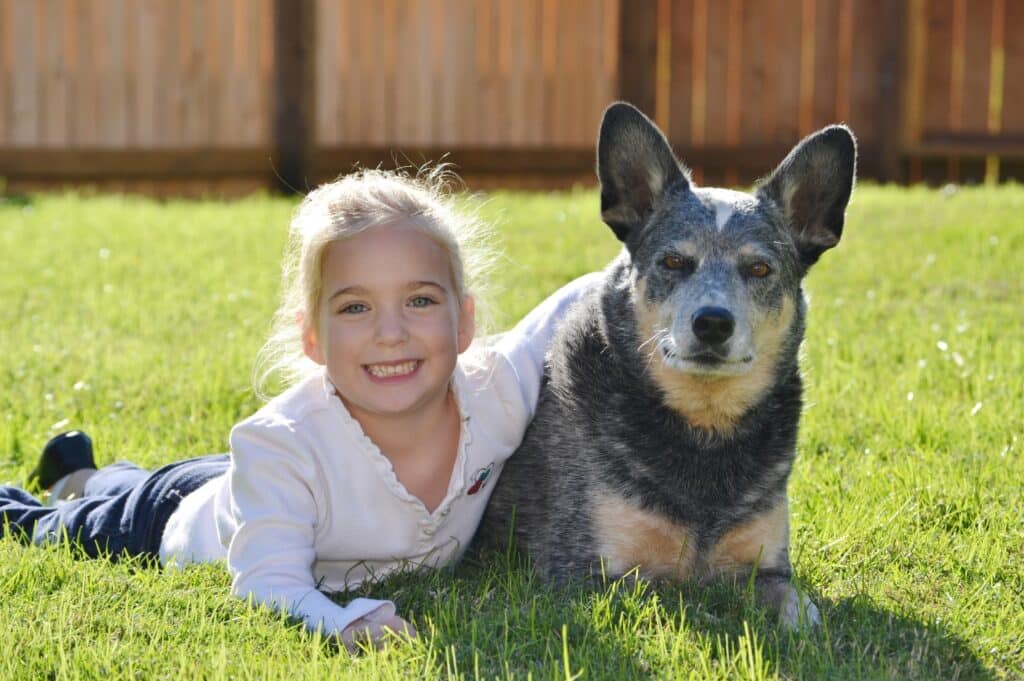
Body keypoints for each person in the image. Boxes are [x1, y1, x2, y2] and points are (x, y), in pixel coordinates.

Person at [0, 168, 595, 650]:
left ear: (463, 321)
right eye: (355, 308)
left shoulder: (496, 392)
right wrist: (343, 623)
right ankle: (75, 484)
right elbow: (267, 580)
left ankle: (85, 470)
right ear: (312, 337)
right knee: (58, 528)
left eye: (419, 299)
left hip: (254, 490)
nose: (391, 333)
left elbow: (576, 300)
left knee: (140, 482)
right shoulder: (280, 443)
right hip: (176, 520)